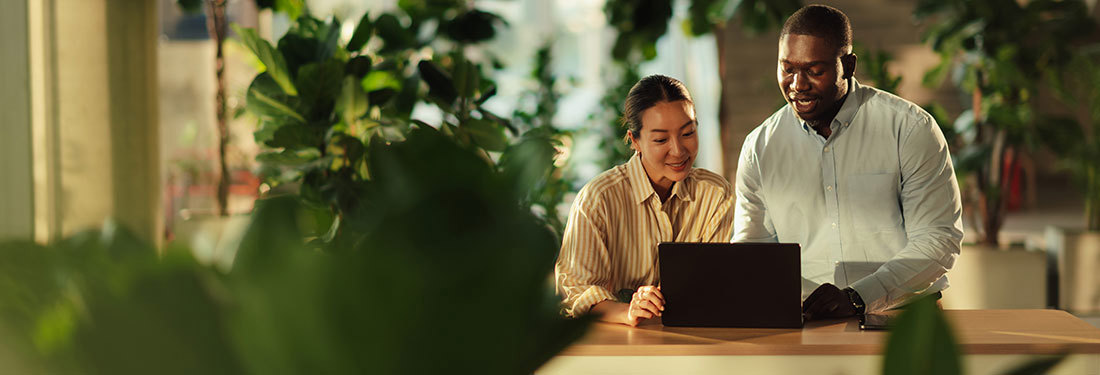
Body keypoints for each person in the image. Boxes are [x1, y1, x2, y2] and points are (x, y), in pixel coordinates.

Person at [732, 4, 963, 321]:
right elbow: (752, 253)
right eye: (787, 69)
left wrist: (859, 297)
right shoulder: (760, 147)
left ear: (849, 65)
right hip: (806, 324)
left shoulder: (909, 129)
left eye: (814, 71)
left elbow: (938, 238)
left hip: (904, 320)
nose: (798, 84)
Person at [555, 75, 735, 326]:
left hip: (692, 341)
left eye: (688, 133)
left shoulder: (715, 194)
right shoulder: (598, 199)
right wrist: (627, 311)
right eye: (661, 139)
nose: (678, 150)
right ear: (635, 140)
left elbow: (716, 282)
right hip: (617, 347)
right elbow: (575, 292)